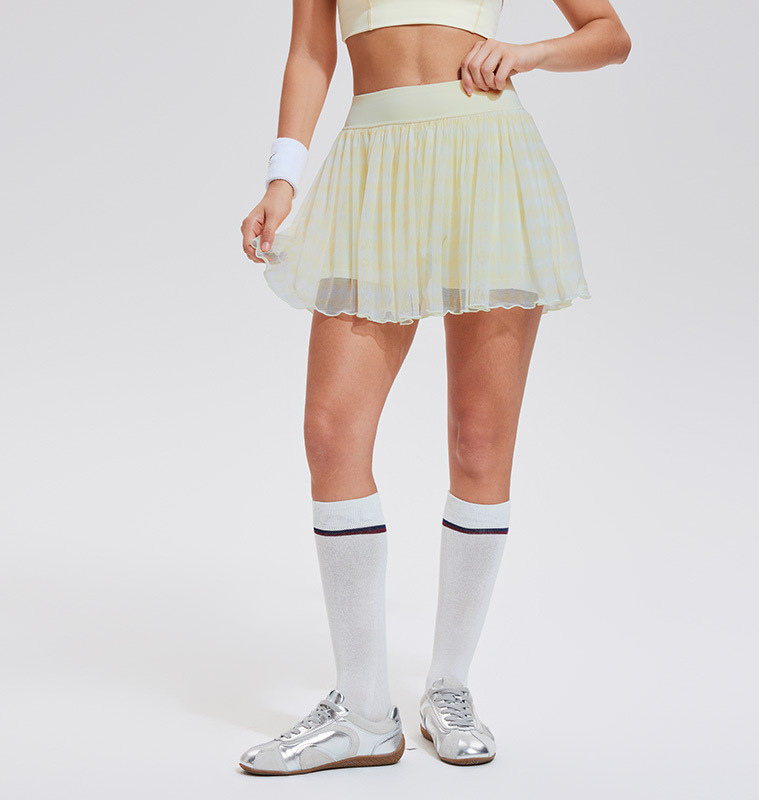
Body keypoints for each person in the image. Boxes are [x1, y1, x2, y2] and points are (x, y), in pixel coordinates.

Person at [238, 0, 631, 776]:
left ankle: (449, 687)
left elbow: (610, 35)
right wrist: (283, 178)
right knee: (331, 434)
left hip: (487, 159)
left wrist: (530, 53)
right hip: (372, 167)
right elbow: (311, 52)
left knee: (479, 440)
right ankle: (362, 711)